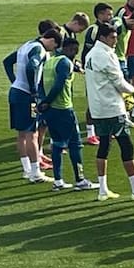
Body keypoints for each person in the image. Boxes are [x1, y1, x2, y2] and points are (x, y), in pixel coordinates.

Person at [83, 22, 134, 201]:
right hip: (111, 108)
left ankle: (103, 189)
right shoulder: (105, 55)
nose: (115, 41)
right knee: (126, 145)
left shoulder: (91, 54)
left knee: (104, 145)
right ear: (102, 37)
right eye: (112, 38)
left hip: (97, 108)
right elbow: (118, 82)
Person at [3, 27, 63, 183]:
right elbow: (32, 66)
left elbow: (7, 61)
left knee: (21, 133)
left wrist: (14, 81)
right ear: (51, 40)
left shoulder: (26, 45)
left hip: (15, 91)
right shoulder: (39, 50)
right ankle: (35, 172)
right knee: (32, 133)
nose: (53, 50)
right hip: (26, 96)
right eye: (54, 46)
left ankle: (26, 170)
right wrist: (34, 91)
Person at [39, 37, 96, 191]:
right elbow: (59, 83)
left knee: (57, 144)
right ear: (71, 49)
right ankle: (80, 180)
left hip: (50, 111)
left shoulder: (50, 61)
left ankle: (58, 181)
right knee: (75, 144)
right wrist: (48, 101)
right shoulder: (65, 63)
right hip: (63, 109)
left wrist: (43, 101)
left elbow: (41, 82)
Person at [81, 3, 115, 145]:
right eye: (108, 14)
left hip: (105, 69)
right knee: (93, 100)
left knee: (105, 99)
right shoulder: (93, 30)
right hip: (94, 71)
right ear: (100, 15)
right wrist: (87, 68)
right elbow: (86, 52)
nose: (111, 16)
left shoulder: (109, 28)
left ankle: (103, 130)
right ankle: (90, 133)